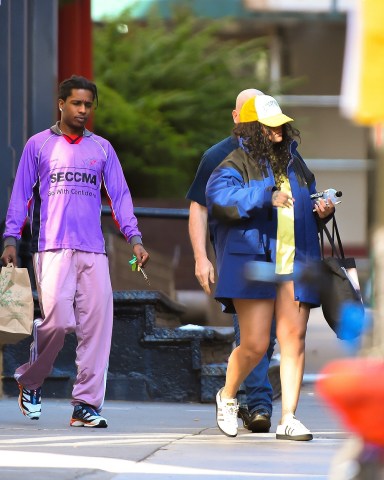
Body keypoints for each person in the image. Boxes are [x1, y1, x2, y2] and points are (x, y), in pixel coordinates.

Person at [1, 75, 149, 428]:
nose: (83, 110)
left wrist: (135, 237)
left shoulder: (102, 149)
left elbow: (120, 196)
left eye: (88, 105)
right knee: (59, 323)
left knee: (98, 328)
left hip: (93, 251)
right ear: (62, 104)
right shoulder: (38, 146)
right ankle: (31, 379)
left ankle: (86, 404)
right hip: (51, 248)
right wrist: (10, 239)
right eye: (77, 103)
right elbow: (21, 193)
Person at [205, 94, 334, 440]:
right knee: (255, 345)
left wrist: (321, 208)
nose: (278, 131)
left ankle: (288, 417)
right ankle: (228, 395)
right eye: (270, 126)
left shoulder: (295, 162)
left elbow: (305, 201)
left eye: (281, 124)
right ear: (252, 127)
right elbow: (219, 200)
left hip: (296, 261)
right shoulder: (232, 163)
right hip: (256, 262)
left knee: (294, 339)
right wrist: (265, 195)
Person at [187, 89, 276, 434]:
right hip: (234, 252)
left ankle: (242, 395)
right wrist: (200, 258)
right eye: (248, 116)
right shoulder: (218, 155)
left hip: (273, 251)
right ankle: (258, 403)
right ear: (235, 116)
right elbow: (198, 207)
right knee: (250, 330)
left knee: (265, 337)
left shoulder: (278, 153)